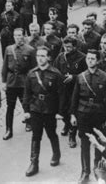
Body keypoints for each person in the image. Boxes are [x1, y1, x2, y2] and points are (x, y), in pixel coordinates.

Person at [70, 49, 106, 184]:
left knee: (99, 143)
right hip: (83, 115)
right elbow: (75, 98)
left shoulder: (105, 77)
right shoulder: (80, 77)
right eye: (88, 58)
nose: (90, 61)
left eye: (92, 59)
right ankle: (85, 172)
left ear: (97, 61)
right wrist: (73, 114)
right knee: (84, 144)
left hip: (99, 115)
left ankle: (98, 168)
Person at [23, 46, 64, 177]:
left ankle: (56, 154)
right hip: (35, 108)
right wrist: (26, 110)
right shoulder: (31, 74)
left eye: (43, 56)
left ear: (49, 57)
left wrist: (60, 112)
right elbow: (27, 94)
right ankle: (34, 163)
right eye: (38, 56)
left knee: (51, 133)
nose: (40, 58)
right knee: (36, 136)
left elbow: (62, 95)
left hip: (50, 109)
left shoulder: (56, 74)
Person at [1, 28, 36, 138]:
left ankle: (29, 122)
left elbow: (34, 68)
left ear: (24, 36)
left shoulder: (30, 50)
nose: (18, 38)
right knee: (10, 107)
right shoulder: (8, 49)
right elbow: (5, 66)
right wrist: (4, 82)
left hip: (24, 81)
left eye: (20, 35)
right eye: (16, 35)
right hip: (11, 82)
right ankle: (8, 130)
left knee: (26, 104)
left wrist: (32, 83)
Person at [53, 36, 87, 148]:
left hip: (76, 89)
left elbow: (86, 75)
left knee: (74, 111)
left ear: (75, 47)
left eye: (69, 47)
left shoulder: (82, 58)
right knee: (62, 110)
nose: (66, 49)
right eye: (65, 46)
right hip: (62, 89)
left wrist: (74, 77)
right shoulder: (60, 57)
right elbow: (54, 70)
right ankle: (67, 124)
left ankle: (72, 134)